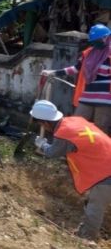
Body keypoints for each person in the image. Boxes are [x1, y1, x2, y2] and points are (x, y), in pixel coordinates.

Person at [31, 100, 111, 241]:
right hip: (106, 161)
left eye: (41, 124)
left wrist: (42, 144)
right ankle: (84, 230)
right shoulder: (75, 120)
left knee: (95, 206)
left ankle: (87, 238)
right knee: (93, 200)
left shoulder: (64, 134)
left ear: (45, 123)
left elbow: (52, 152)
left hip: (105, 172)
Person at [42, 24, 111, 133]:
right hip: (87, 96)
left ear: (107, 37)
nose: (96, 42)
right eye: (94, 41)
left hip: (106, 100)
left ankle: (95, 150)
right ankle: (73, 149)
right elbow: (76, 68)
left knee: (100, 130)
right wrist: (54, 72)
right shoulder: (88, 53)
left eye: (99, 39)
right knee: (76, 125)